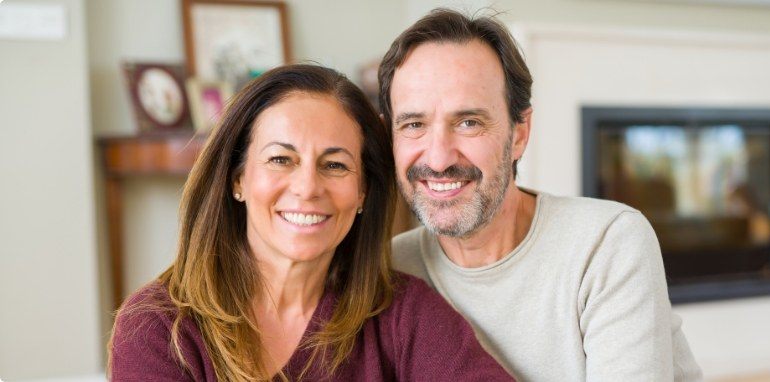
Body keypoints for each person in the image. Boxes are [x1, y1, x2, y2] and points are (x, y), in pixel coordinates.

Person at [108, 64, 513, 382]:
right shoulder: (158, 328)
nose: (307, 187)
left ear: (363, 193)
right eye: (281, 159)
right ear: (238, 179)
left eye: (335, 165)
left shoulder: (403, 313)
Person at [380, 9, 704, 381]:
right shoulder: (390, 270)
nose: (438, 158)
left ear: (519, 133)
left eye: (469, 122)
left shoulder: (606, 243)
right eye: (414, 125)